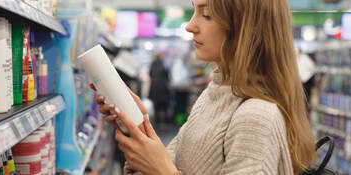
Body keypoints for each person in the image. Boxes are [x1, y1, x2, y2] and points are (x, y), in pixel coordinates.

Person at [91, 0, 317, 174]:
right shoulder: (213, 95)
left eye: (206, 14)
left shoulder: (256, 117)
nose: (190, 25)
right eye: (194, 10)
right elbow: (174, 163)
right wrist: (140, 127)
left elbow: (167, 170)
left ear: (245, 25)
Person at [148, 53, 170, 125]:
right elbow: (167, 76)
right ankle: (163, 121)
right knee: (164, 106)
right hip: (163, 88)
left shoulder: (152, 65)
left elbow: (150, 74)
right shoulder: (163, 65)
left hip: (154, 87)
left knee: (156, 105)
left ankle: (156, 121)